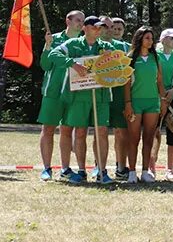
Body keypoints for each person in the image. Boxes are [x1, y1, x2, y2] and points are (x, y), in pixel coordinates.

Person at [47, 16, 117, 184]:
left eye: (101, 28)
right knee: (80, 132)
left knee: (102, 131)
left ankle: (101, 171)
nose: (99, 31)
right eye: (95, 27)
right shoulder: (73, 44)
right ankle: (80, 171)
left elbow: (117, 64)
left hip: (101, 96)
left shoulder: (106, 46)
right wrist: (72, 63)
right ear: (85, 28)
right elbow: (53, 54)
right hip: (78, 96)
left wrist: (112, 58)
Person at [37, 10, 83, 180]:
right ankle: (47, 168)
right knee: (48, 128)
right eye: (78, 20)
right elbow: (45, 65)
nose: (80, 23)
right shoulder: (54, 39)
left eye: (82, 21)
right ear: (68, 21)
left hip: (73, 92)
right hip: (53, 91)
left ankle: (65, 168)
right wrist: (48, 46)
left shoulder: (82, 43)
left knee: (67, 130)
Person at [123, 26, 165, 183]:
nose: (150, 41)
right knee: (133, 138)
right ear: (140, 39)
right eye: (147, 38)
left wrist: (163, 100)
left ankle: (146, 171)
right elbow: (126, 83)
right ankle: (132, 172)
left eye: (152, 38)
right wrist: (128, 104)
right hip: (135, 103)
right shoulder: (130, 57)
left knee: (149, 138)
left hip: (152, 103)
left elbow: (160, 81)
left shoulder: (156, 57)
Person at [102, 17, 132, 182]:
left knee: (121, 133)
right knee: (101, 132)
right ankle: (99, 167)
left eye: (120, 28)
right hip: (102, 94)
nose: (116, 30)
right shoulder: (99, 44)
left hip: (120, 95)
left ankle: (121, 168)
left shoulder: (128, 47)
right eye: (113, 27)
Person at [154, 29, 173, 180]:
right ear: (163, 39)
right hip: (156, 98)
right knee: (153, 134)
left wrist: (172, 92)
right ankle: (151, 167)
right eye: (172, 38)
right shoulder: (154, 55)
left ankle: (170, 169)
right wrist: (161, 95)